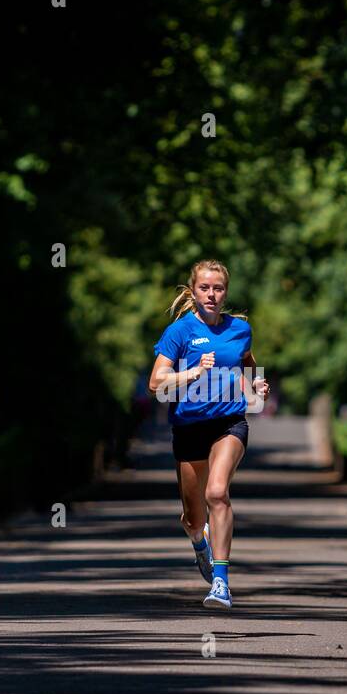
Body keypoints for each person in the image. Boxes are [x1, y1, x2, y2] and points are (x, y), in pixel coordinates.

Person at [147, 259, 269, 608]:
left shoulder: (240, 329)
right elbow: (155, 383)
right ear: (194, 291)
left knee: (218, 493)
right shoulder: (180, 332)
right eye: (205, 288)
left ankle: (221, 582)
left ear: (225, 291)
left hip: (229, 423)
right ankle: (200, 544)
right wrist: (192, 373)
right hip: (189, 429)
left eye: (218, 288)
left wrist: (255, 383)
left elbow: (246, 360)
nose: (212, 294)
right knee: (192, 518)